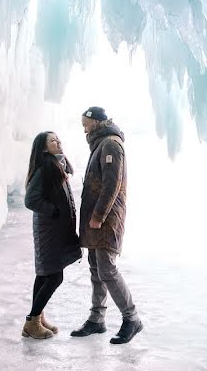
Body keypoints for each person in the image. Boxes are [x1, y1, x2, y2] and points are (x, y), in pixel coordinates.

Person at [70, 106, 143, 344]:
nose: (84, 129)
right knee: (96, 268)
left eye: (86, 124)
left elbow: (112, 184)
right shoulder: (100, 143)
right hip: (96, 219)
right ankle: (97, 319)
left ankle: (131, 318)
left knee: (107, 269)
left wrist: (99, 215)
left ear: (97, 122)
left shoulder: (111, 144)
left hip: (106, 219)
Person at [22, 131, 82, 339]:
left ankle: (36, 319)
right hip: (49, 230)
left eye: (58, 139)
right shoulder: (44, 168)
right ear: (44, 148)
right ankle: (33, 320)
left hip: (55, 229)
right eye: (52, 140)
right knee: (55, 276)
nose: (58, 142)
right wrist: (54, 211)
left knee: (45, 274)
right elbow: (30, 200)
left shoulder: (58, 164)